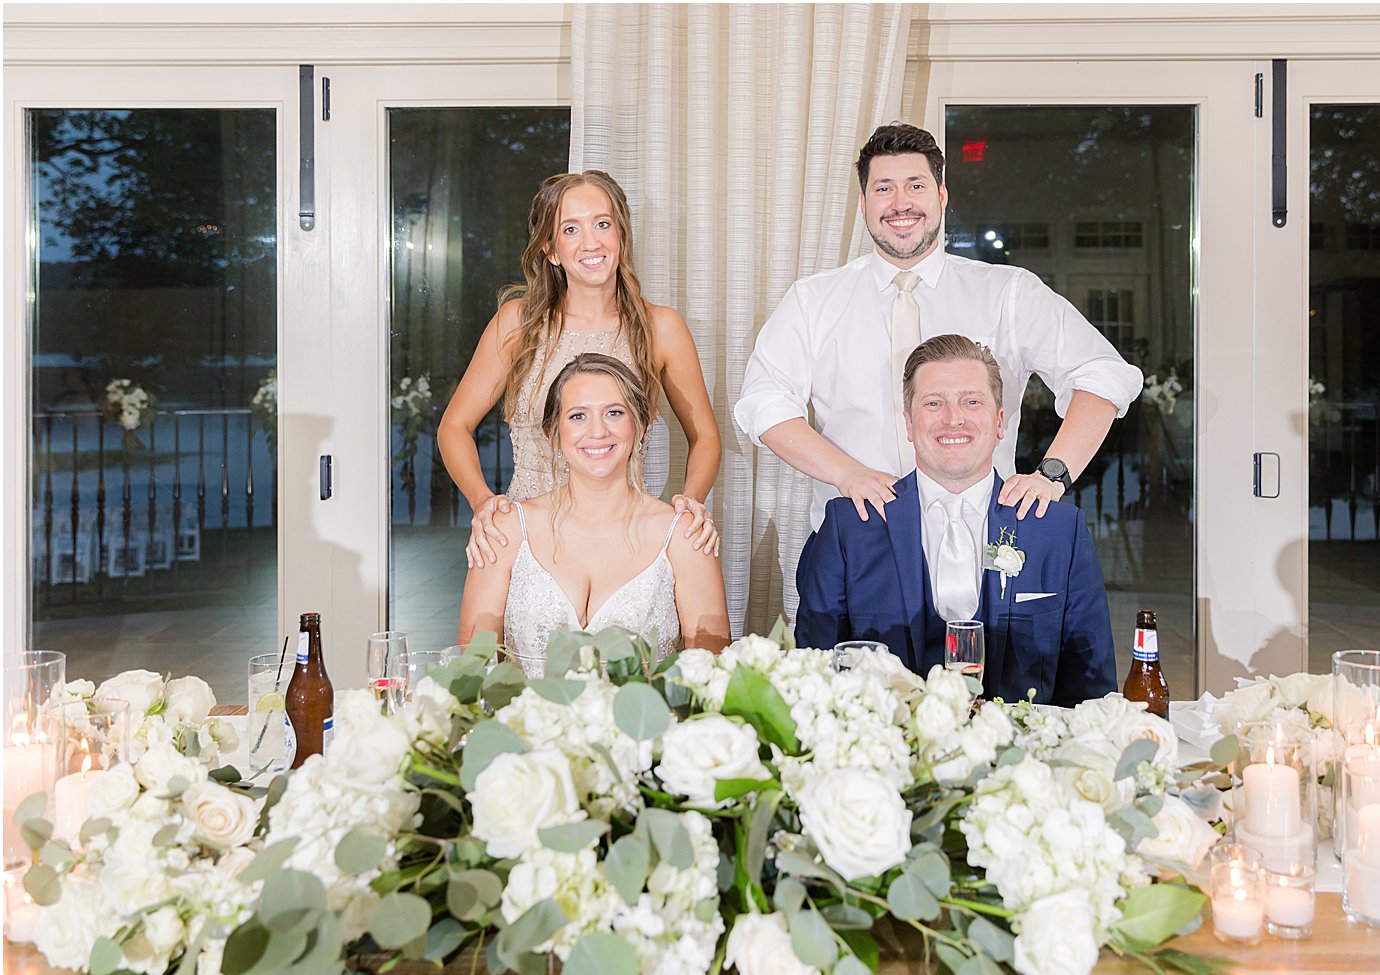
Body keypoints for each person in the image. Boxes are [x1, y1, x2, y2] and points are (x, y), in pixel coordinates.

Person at [735, 122, 1143, 532]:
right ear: (863, 203)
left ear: (941, 196)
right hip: (858, 537)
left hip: (986, 537)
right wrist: (847, 474)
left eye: (916, 186)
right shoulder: (812, 300)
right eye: (883, 188)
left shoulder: (1007, 292)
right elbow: (763, 402)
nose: (900, 203)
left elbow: (1103, 375)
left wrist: (1051, 475)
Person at [795, 334, 1115, 706]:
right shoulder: (848, 526)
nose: (953, 419)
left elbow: (1093, 692)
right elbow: (814, 676)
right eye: (934, 403)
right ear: (909, 425)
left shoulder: (1059, 529)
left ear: (999, 423)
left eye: (972, 401)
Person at [440, 170, 722, 570]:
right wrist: (482, 501)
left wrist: (688, 504)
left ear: (620, 235)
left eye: (603, 224)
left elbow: (706, 436)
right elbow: (454, 427)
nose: (592, 242)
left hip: (625, 539)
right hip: (526, 540)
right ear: (551, 250)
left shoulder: (662, 328)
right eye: (570, 229)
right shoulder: (517, 324)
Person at [459, 354, 730, 673]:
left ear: (640, 426)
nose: (598, 431)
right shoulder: (503, 531)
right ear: (553, 433)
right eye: (578, 416)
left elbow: (710, 678)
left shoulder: (685, 536)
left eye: (614, 413)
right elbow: (470, 673)